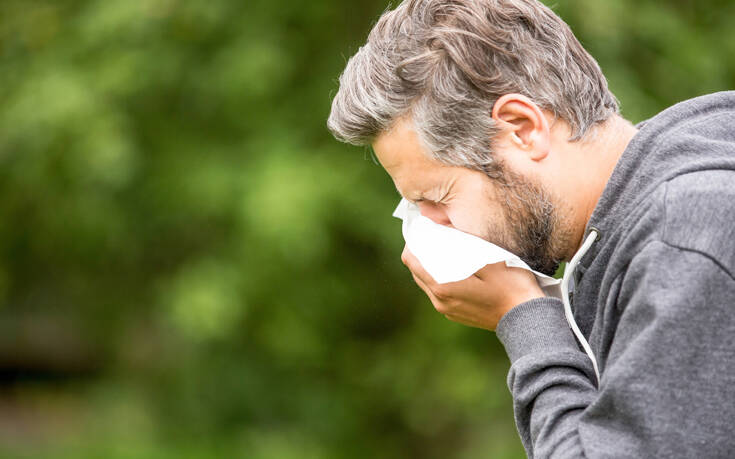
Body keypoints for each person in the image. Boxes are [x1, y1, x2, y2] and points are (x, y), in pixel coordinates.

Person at [327, 0, 735, 457]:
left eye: (435, 198)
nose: (429, 225)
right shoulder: (647, 220)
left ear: (522, 128)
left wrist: (522, 315)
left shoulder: (684, 240)